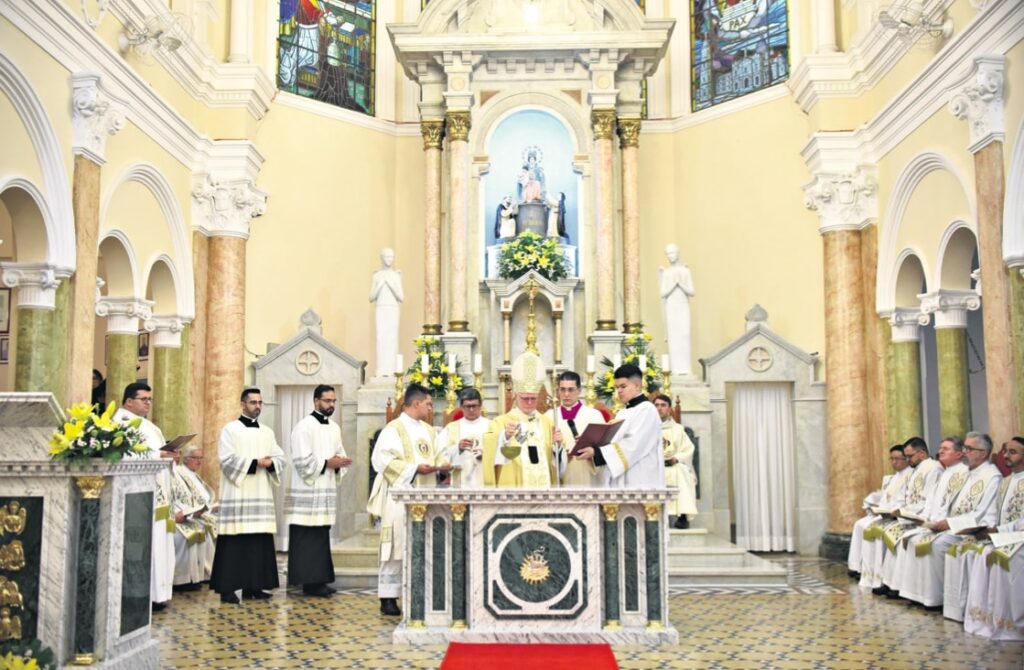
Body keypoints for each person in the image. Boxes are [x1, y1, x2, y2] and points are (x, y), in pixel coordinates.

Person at [366, 383, 451, 616]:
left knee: (423, 545)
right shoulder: (393, 429)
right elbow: (381, 460)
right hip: (399, 497)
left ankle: (420, 594)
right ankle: (388, 596)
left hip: (426, 496)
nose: (430, 407)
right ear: (416, 403)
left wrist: (443, 466)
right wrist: (414, 470)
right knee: (395, 545)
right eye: (428, 403)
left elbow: (439, 453)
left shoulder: (429, 430)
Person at [209, 388, 286, 605]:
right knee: (234, 541)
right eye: (253, 402)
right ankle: (228, 589)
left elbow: (281, 457)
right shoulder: (230, 430)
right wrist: (255, 463)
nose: (257, 406)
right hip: (238, 494)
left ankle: (255, 586)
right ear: (243, 404)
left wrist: (272, 463)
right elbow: (226, 460)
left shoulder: (267, 432)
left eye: (260, 402)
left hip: (260, 492)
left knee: (258, 541)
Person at [285, 384, 352, 597]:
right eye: (327, 401)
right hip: (307, 490)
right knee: (306, 537)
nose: (331, 404)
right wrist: (328, 463)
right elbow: (301, 461)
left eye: (334, 401)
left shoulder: (334, 427)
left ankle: (319, 581)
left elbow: (338, 452)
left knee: (321, 536)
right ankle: (306, 582)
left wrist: (341, 462)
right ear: (316, 401)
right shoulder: (303, 426)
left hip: (324, 490)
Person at [115, 382, 175, 611]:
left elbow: (158, 454)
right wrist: (158, 454)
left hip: (158, 495)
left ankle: (159, 593)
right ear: (129, 401)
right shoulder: (118, 424)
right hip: (137, 498)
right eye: (144, 399)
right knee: (143, 546)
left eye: (150, 399)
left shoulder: (148, 426)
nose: (148, 403)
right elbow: (121, 457)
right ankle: (141, 594)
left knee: (159, 543)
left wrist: (170, 455)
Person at [964, 436, 1024, 640]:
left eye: (1012, 452)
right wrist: (988, 528)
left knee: (1003, 556)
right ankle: (987, 618)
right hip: (1006, 535)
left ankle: (1012, 623)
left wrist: (999, 531)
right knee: (984, 551)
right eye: (1005, 451)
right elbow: (995, 511)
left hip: (1019, 537)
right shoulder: (1006, 481)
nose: (1005, 455)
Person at [873, 437, 947, 595]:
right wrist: (902, 511)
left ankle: (898, 585)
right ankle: (890, 581)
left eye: (909, 456)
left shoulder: (934, 469)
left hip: (920, 517)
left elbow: (929, 499)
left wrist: (908, 514)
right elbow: (910, 496)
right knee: (893, 534)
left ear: (921, 454)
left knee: (901, 538)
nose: (907, 460)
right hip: (910, 515)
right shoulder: (918, 469)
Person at [573, 364, 664, 488]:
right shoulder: (623, 412)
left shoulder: (646, 410)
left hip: (640, 478)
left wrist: (597, 452)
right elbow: (613, 441)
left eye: (623, 386)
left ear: (637, 386)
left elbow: (634, 445)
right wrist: (590, 443)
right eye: (616, 387)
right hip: (623, 477)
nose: (619, 391)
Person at [483, 352, 562, 488]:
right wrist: (504, 436)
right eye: (525, 398)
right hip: (513, 489)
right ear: (515, 395)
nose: (529, 402)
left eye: (533, 398)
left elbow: (554, 462)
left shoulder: (547, 422)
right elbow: (489, 454)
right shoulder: (500, 422)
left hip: (544, 490)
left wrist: (558, 446)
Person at [847, 445, 911, 578]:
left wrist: (887, 510)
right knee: (859, 524)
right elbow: (884, 494)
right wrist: (873, 503)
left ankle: (874, 572)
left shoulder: (910, 476)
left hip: (895, 515)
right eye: (891, 459)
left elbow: (905, 500)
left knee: (868, 527)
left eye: (897, 459)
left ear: (906, 459)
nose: (894, 462)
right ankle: (857, 566)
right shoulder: (893, 477)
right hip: (883, 511)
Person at [549, 371, 606, 487]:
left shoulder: (594, 416)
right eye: (562, 389)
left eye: (571, 389)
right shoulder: (549, 416)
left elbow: (606, 448)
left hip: (587, 476)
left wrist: (593, 452)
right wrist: (561, 454)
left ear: (579, 390)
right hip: (559, 481)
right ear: (558, 391)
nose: (566, 394)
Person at [173, 444, 219, 583]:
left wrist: (209, 508)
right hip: (179, 515)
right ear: (186, 459)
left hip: (193, 513)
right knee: (198, 529)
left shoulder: (193, 475)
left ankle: (207, 572)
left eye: (201, 458)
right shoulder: (179, 473)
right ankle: (188, 578)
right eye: (195, 458)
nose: (199, 461)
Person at [654, 394, 697, 528]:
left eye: (663, 405)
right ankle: (652, 514)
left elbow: (688, 448)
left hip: (673, 464)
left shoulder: (678, 429)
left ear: (669, 409)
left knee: (682, 472)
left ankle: (683, 516)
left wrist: (676, 458)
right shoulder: (647, 428)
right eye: (656, 405)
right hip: (653, 467)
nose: (659, 408)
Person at [438, 388, 491, 488]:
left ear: (480, 406)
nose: (471, 410)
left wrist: (486, 455)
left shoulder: (491, 426)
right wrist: (458, 448)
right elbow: (439, 455)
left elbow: (500, 452)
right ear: (461, 407)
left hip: (485, 481)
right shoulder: (451, 428)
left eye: (474, 406)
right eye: (468, 406)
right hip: (460, 482)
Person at [659, 244, 696, 376]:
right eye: (668, 254)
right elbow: (663, 293)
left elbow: (692, 291)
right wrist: (674, 285)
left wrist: (681, 284)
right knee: (673, 337)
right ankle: (676, 369)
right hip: (671, 307)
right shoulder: (667, 273)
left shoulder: (685, 271)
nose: (670, 256)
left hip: (683, 305)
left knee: (684, 335)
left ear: (678, 253)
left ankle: (686, 368)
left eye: (673, 253)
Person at [369, 248, 404, 379]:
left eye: (391, 257)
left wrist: (390, 284)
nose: (389, 260)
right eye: (386, 257)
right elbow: (371, 297)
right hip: (380, 307)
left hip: (393, 308)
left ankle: (392, 369)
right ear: (381, 258)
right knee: (380, 337)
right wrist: (380, 284)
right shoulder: (377, 275)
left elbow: (401, 297)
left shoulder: (396, 275)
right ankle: (380, 369)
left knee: (392, 337)